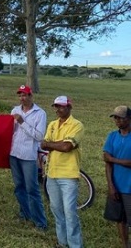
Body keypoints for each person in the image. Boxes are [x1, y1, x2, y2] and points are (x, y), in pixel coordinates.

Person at [41, 96, 84, 248]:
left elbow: (67, 147)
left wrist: (51, 144)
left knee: (70, 213)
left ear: (69, 107)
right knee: (57, 211)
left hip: (68, 175)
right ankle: (62, 243)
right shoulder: (52, 124)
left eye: (61, 106)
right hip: (52, 173)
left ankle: (75, 245)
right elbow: (43, 145)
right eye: (56, 106)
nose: (58, 109)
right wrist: (55, 144)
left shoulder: (77, 125)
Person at [10, 85, 47, 230]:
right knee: (19, 187)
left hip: (28, 156)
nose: (22, 98)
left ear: (31, 96)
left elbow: (39, 136)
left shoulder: (40, 113)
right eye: (20, 95)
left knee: (32, 189)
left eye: (25, 95)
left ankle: (40, 222)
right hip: (14, 153)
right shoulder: (15, 110)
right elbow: (9, 131)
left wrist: (22, 122)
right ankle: (25, 213)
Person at [103, 105, 131, 248]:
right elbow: (106, 160)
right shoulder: (112, 136)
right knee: (120, 219)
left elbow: (110, 160)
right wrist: (111, 186)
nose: (117, 120)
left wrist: (114, 160)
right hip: (117, 185)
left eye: (121, 117)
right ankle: (125, 244)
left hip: (129, 187)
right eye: (115, 117)